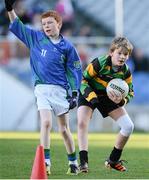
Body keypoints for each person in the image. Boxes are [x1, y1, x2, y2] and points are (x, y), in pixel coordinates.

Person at [5, 0, 82, 175]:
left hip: (60, 91)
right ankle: (45, 162)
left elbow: (74, 71)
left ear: (59, 24)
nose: (46, 26)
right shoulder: (35, 38)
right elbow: (18, 25)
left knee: (63, 129)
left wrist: (74, 93)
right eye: (44, 23)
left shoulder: (68, 47)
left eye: (50, 23)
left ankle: (73, 162)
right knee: (46, 123)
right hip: (41, 89)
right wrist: (10, 9)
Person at [77, 36, 134, 172]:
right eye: (119, 53)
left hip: (108, 97)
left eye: (125, 54)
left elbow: (131, 92)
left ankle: (113, 161)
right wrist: (93, 98)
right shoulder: (99, 63)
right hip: (89, 92)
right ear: (111, 52)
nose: (122, 57)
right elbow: (83, 80)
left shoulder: (125, 71)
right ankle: (83, 162)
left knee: (128, 126)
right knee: (82, 123)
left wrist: (122, 101)